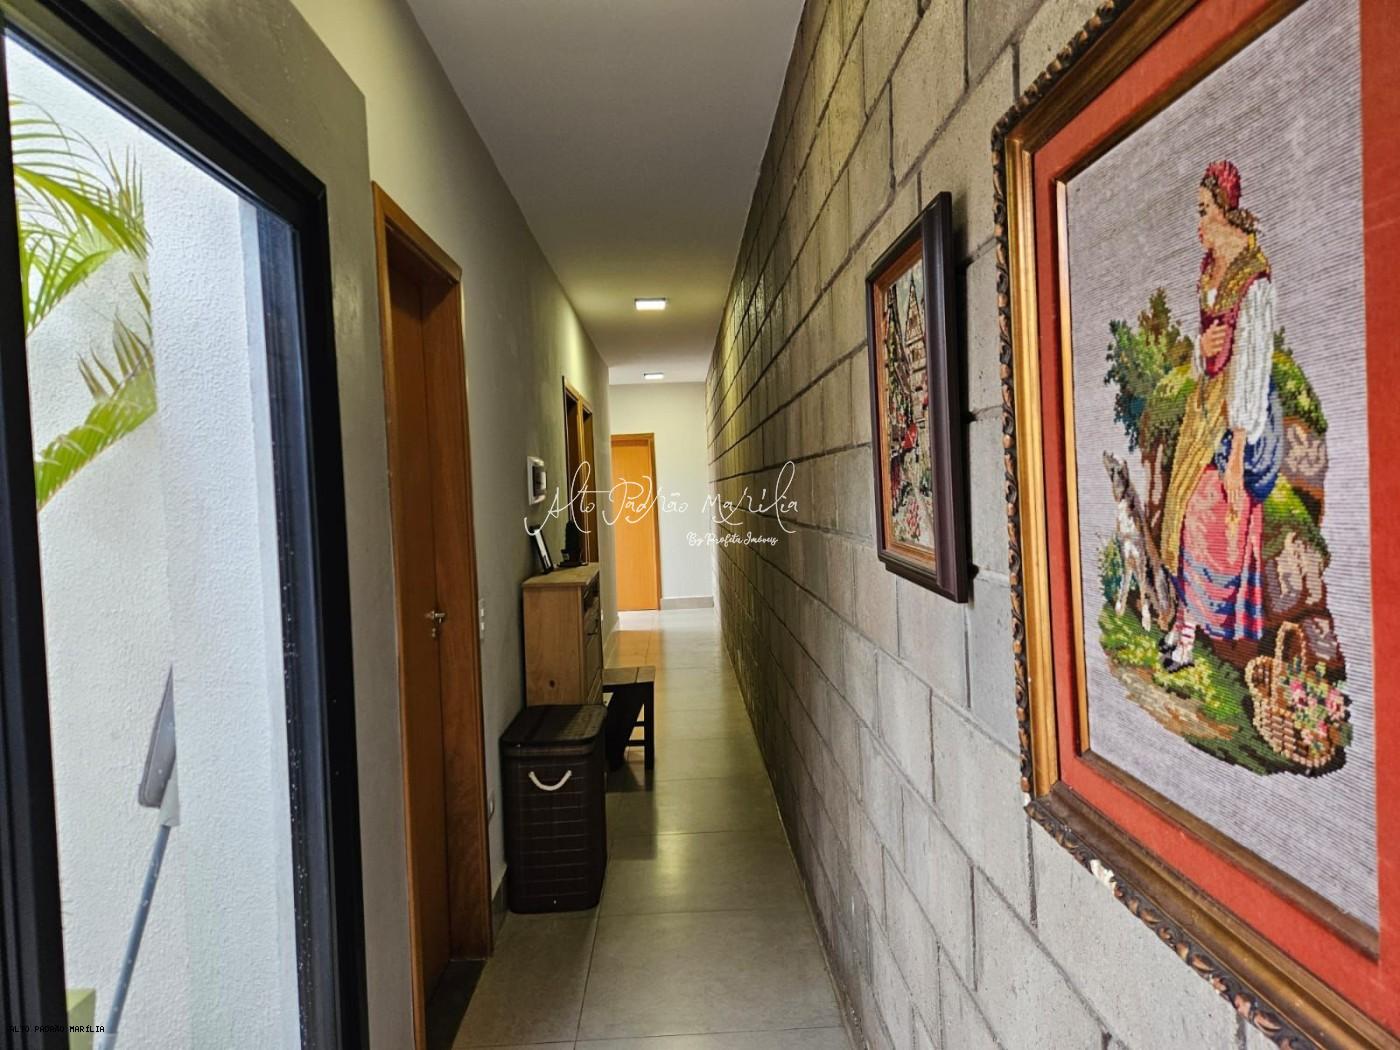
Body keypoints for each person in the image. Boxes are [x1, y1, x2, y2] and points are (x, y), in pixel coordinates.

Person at [1160, 160, 1283, 671]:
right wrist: (1201, 349)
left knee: (1208, 514)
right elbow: (1205, 350)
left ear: (1225, 211)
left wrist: (1236, 457)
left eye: (1203, 210)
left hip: (1241, 420)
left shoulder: (1254, 280)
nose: (1198, 223)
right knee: (1179, 507)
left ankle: (1194, 634)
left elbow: (1253, 367)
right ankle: (1182, 627)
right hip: (1205, 408)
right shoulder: (1210, 268)